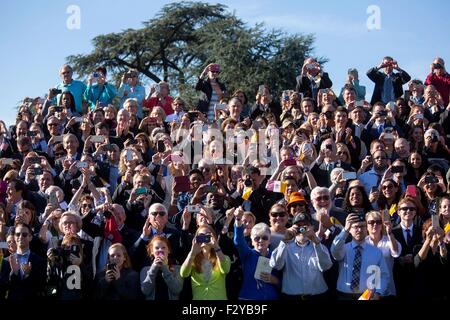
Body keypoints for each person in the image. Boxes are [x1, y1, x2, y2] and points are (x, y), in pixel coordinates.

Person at [271, 213, 332, 300]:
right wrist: (284, 240)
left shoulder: (319, 246)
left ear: (312, 227)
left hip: (317, 296)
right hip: (291, 297)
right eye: (298, 226)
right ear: (292, 228)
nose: (302, 229)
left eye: (306, 226)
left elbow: (326, 267)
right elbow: (276, 265)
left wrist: (316, 241)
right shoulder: (285, 246)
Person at [331, 213, 390, 300]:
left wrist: (378, 292)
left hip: (367, 296)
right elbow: (334, 250)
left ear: (366, 229)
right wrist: (345, 230)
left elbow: (383, 275)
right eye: (355, 227)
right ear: (349, 230)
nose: (359, 229)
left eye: (362, 226)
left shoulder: (376, 252)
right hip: (344, 296)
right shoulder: (343, 249)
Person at [233, 207, 280, 300]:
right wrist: (238, 220)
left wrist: (274, 280)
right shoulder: (247, 254)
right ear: (252, 240)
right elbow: (238, 241)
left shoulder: (275, 257)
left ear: (270, 240)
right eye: (257, 238)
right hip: (249, 297)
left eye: (264, 238)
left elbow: (285, 282)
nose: (260, 240)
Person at [180, 225, 230, 300]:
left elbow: (225, 269)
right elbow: (183, 274)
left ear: (214, 237)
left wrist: (216, 247)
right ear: (196, 238)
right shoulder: (193, 259)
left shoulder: (222, 257)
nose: (205, 238)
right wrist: (192, 253)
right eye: (201, 236)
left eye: (208, 235)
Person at [365, 211, 401, 297]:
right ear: (366, 226)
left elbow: (396, 253)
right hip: (367, 290)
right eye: (371, 222)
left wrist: (389, 233)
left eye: (378, 222)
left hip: (387, 289)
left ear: (382, 225)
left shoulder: (389, 240)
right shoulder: (363, 242)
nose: (375, 225)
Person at [7, 223, 47, 300]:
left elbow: (41, 286)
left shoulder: (40, 261)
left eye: (24, 234)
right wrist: (14, 273)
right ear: (14, 237)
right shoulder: (6, 261)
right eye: (18, 234)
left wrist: (27, 275)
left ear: (30, 237)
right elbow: (4, 287)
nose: (20, 237)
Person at [140, 235, 183, 300]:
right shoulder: (145, 270)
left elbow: (177, 290)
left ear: (168, 250)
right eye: (157, 248)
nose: (160, 250)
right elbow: (145, 291)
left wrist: (165, 267)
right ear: (152, 251)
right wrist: (153, 268)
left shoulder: (177, 269)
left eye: (163, 248)